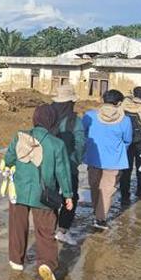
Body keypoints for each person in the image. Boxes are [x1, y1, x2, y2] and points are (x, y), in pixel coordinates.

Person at [2, 105, 75, 280]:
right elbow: (63, 172)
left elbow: (9, 158)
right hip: (44, 195)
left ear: (35, 118)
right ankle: (47, 264)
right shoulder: (57, 144)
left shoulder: (20, 136)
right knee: (45, 231)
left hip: (18, 191)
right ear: (52, 121)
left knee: (17, 227)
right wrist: (68, 195)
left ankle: (16, 262)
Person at [82, 89, 132, 232]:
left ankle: (96, 212)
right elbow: (127, 140)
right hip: (115, 160)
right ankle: (100, 218)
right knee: (107, 190)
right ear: (120, 103)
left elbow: (82, 134)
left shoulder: (90, 115)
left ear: (102, 100)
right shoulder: (125, 120)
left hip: (93, 157)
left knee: (94, 187)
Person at [44, 85, 86, 245]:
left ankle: (48, 227)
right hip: (69, 165)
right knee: (71, 197)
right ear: (71, 102)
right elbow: (81, 144)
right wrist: (76, 162)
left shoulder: (47, 116)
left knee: (49, 194)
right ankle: (62, 230)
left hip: (48, 164)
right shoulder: (75, 120)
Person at [119, 86, 141, 205]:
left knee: (125, 170)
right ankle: (140, 192)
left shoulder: (124, 106)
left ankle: (124, 196)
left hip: (126, 143)